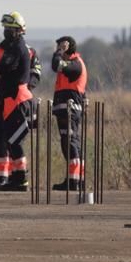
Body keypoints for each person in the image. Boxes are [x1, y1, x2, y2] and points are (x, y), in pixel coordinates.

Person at [0, 11, 34, 192]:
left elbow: (4, 67)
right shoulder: (4, 48)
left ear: (19, 30)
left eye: (10, 28)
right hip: (5, 98)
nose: (6, 31)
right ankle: (16, 180)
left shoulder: (18, 48)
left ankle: (20, 179)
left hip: (15, 98)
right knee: (9, 140)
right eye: (5, 28)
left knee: (15, 140)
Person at [51, 35, 88, 191]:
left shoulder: (75, 64)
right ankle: (73, 179)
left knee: (71, 143)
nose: (58, 50)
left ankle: (74, 182)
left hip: (70, 110)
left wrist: (59, 52)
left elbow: (56, 65)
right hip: (65, 109)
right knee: (69, 143)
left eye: (60, 47)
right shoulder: (73, 63)